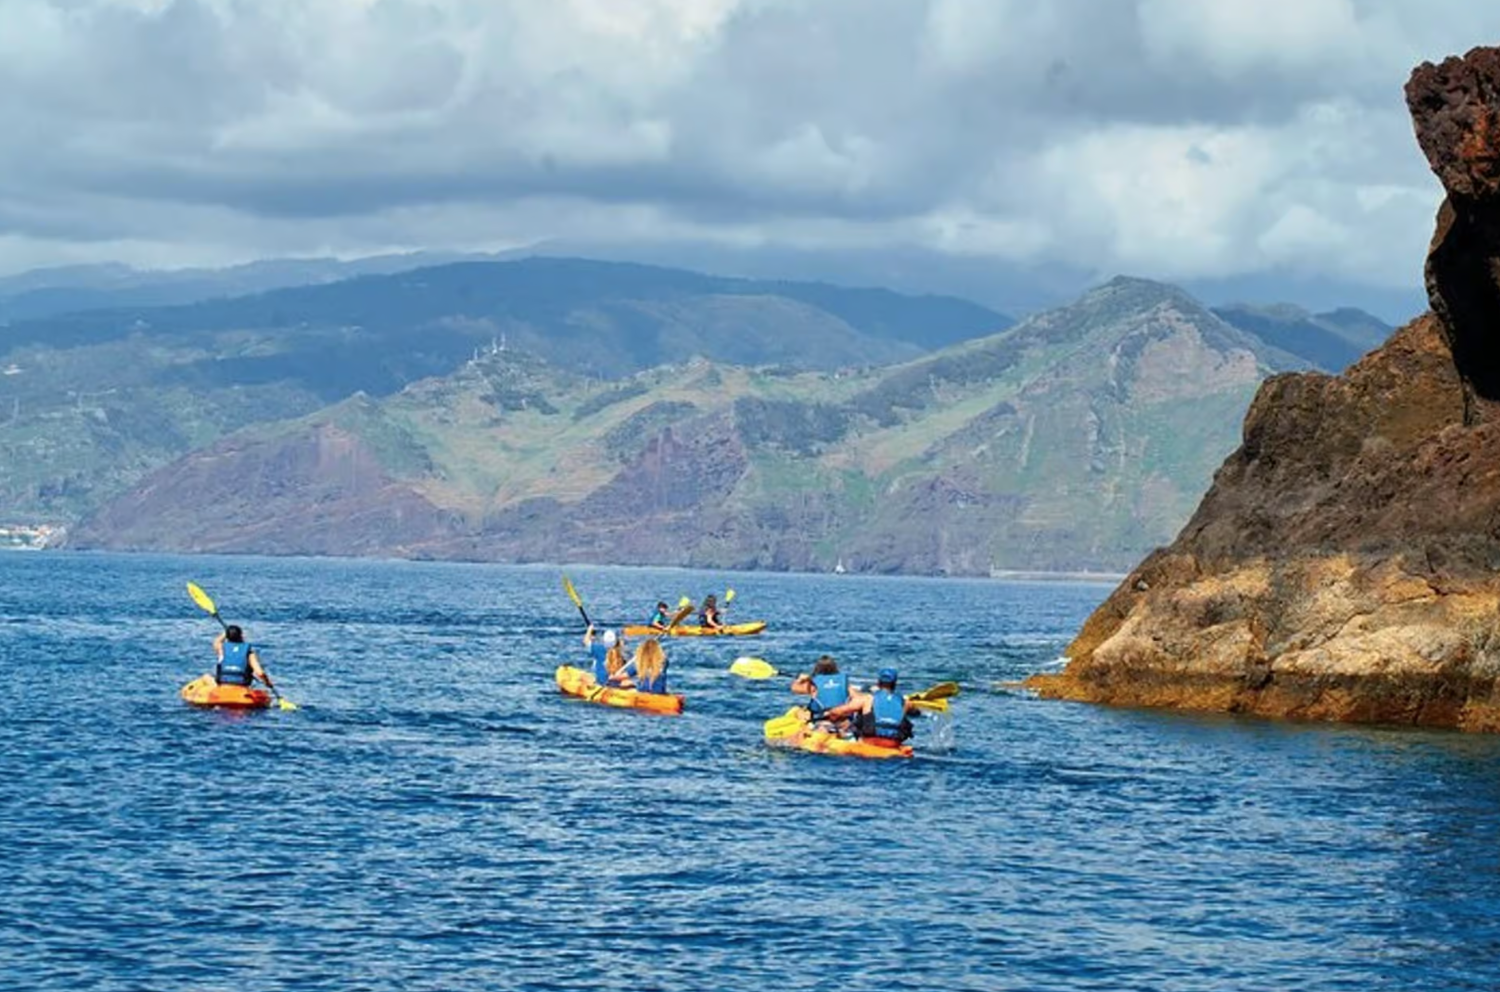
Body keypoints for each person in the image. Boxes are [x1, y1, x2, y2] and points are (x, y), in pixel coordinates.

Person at [826, 667, 915, 743]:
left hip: (871, 741)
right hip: (895, 741)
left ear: (878, 683)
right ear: (895, 684)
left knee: (849, 723)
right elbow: (915, 712)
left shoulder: (868, 699)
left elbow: (837, 712)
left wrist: (829, 714)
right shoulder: (905, 702)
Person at [214, 625, 275, 691]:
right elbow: (260, 673)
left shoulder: (222, 650)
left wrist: (226, 632)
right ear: (241, 636)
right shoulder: (249, 653)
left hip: (223, 685)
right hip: (242, 686)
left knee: (206, 678)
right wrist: (267, 683)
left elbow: (217, 641)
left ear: (227, 637)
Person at [790, 655, 850, 722]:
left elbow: (794, 689)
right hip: (843, 716)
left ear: (817, 668)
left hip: (822, 717)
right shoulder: (843, 681)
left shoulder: (814, 683)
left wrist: (800, 680)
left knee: (797, 709)